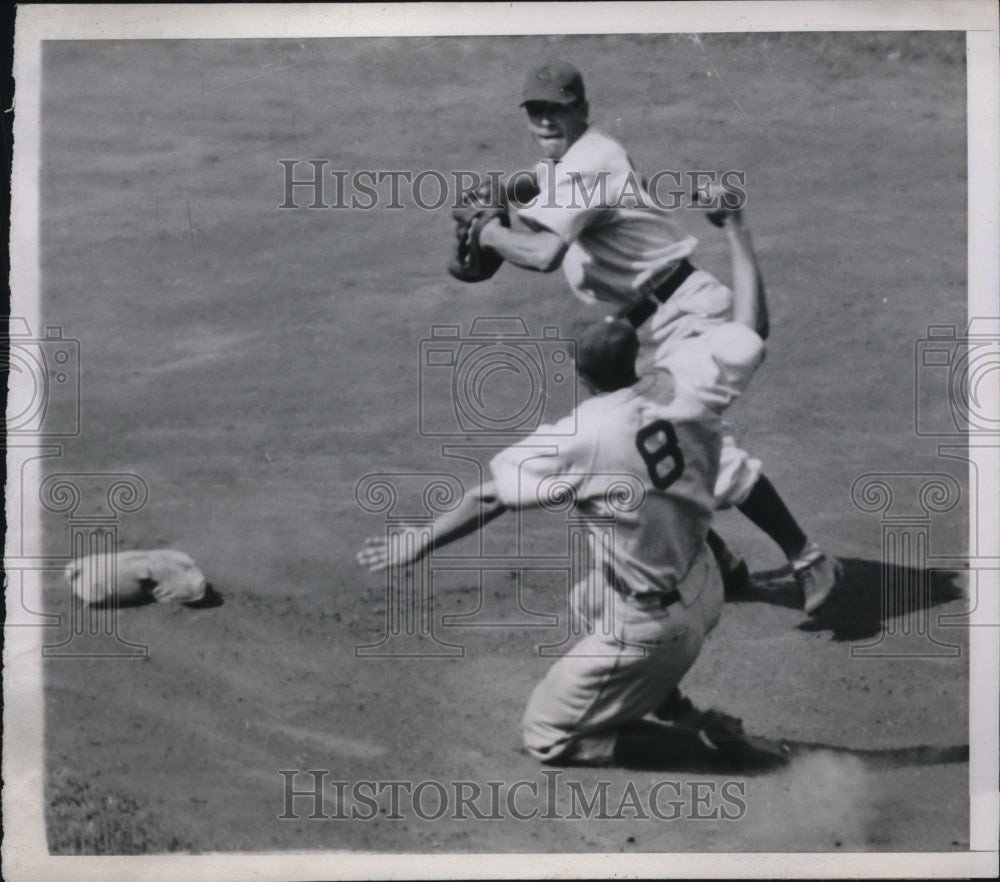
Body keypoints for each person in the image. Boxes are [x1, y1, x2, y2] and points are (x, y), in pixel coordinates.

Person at [358, 213, 786, 768]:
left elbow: (489, 497)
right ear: (637, 357)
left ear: (581, 377)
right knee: (589, 597)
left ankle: (705, 742)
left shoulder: (581, 436)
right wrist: (736, 228)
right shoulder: (688, 378)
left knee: (545, 736)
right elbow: (752, 324)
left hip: (652, 629)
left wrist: (417, 540)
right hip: (704, 585)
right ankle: (667, 703)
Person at [475, 58, 838, 615]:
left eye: (558, 110)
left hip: (689, 315)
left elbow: (544, 254)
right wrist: (499, 215)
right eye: (537, 111)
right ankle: (718, 560)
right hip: (648, 338)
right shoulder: (562, 169)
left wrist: (489, 230)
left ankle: (808, 557)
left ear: (583, 111)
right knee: (643, 456)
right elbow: (521, 227)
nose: (547, 121)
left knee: (697, 448)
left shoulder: (595, 159)